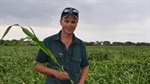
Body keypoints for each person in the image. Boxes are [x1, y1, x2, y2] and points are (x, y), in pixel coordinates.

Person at [34, 7, 89, 84]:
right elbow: (36, 65)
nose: (69, 25)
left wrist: (81, 81)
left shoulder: (80, 44)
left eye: (73, 22)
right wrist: (54, 72)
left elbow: (85, 66)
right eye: (66, 21)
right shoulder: (48, 42)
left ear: (76, 24)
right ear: (61, 22)